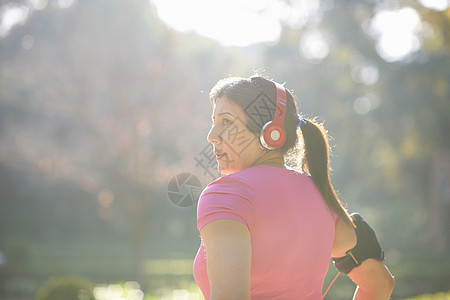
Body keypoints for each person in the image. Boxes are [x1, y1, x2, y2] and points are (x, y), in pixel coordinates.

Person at [193, 75, 395, 300]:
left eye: (227, 121)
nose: (212, 136)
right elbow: (380, 284)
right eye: (215, 122)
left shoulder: (225, 195)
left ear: (270, 131)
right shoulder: (321, 196)